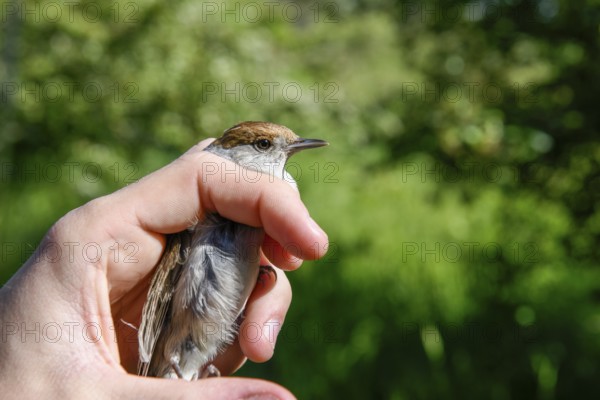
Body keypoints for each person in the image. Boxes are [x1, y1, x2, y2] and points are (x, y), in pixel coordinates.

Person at [0, 139, 329, 399]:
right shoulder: (203, 209)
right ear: (232, 154)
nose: (281, 152)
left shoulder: (246, 206)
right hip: (169, 354)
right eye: (263, 145)